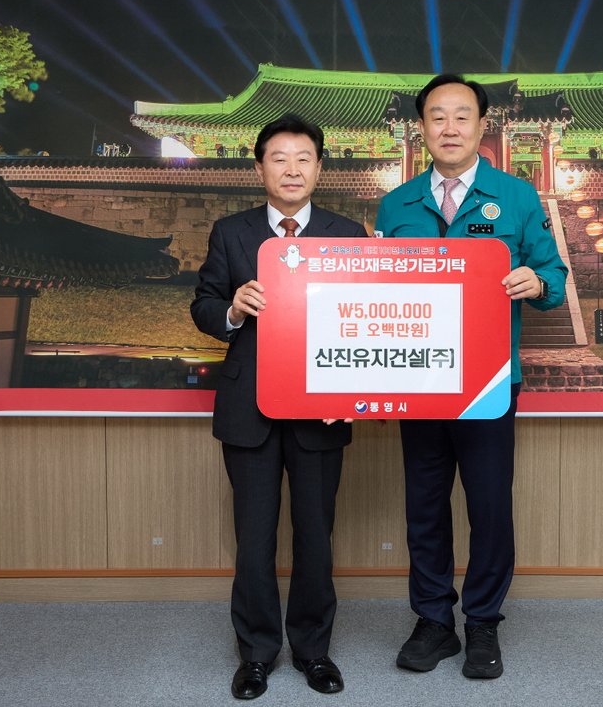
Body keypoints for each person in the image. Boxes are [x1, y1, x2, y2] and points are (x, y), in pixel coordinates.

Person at [374, 75, 568, 679]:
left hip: (489, 381)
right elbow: (374, 292)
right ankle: (434, 620)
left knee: (488, 505)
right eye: (437, 116)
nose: (450, 127)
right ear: (422, 128)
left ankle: (483, 620)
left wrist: (536, 281)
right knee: (425, 505)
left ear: (483, 125)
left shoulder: (516, 196)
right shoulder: (396, 204)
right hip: (419, 380)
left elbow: (553, 275)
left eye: (462, 116)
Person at [191, 114, 368, 700]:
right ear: (260, 167)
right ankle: (257, 654)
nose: (292, 169)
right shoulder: (231, 231)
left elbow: (365, 319)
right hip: (250, 407)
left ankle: (314, 650)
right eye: (279, 158)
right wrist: (232, 309)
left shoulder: (348, 233)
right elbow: (203, 305)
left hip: (322, 406)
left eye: (303, 158)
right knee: (254, 537)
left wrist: (353, 393)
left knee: (316, 534)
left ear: (319, 168)